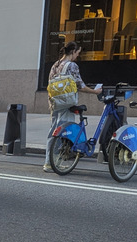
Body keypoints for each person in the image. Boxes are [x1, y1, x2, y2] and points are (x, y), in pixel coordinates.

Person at [44, 41, 102, 172]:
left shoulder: (56, 64)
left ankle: (48, 162)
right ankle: (55, 162)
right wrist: (95, 91)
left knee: (53, 131)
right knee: (63, 132)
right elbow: (80, 85)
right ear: (73, 51)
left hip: (54, 102)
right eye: (78, 53)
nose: (78, 55)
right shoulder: (72, 65)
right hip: (66, 103)